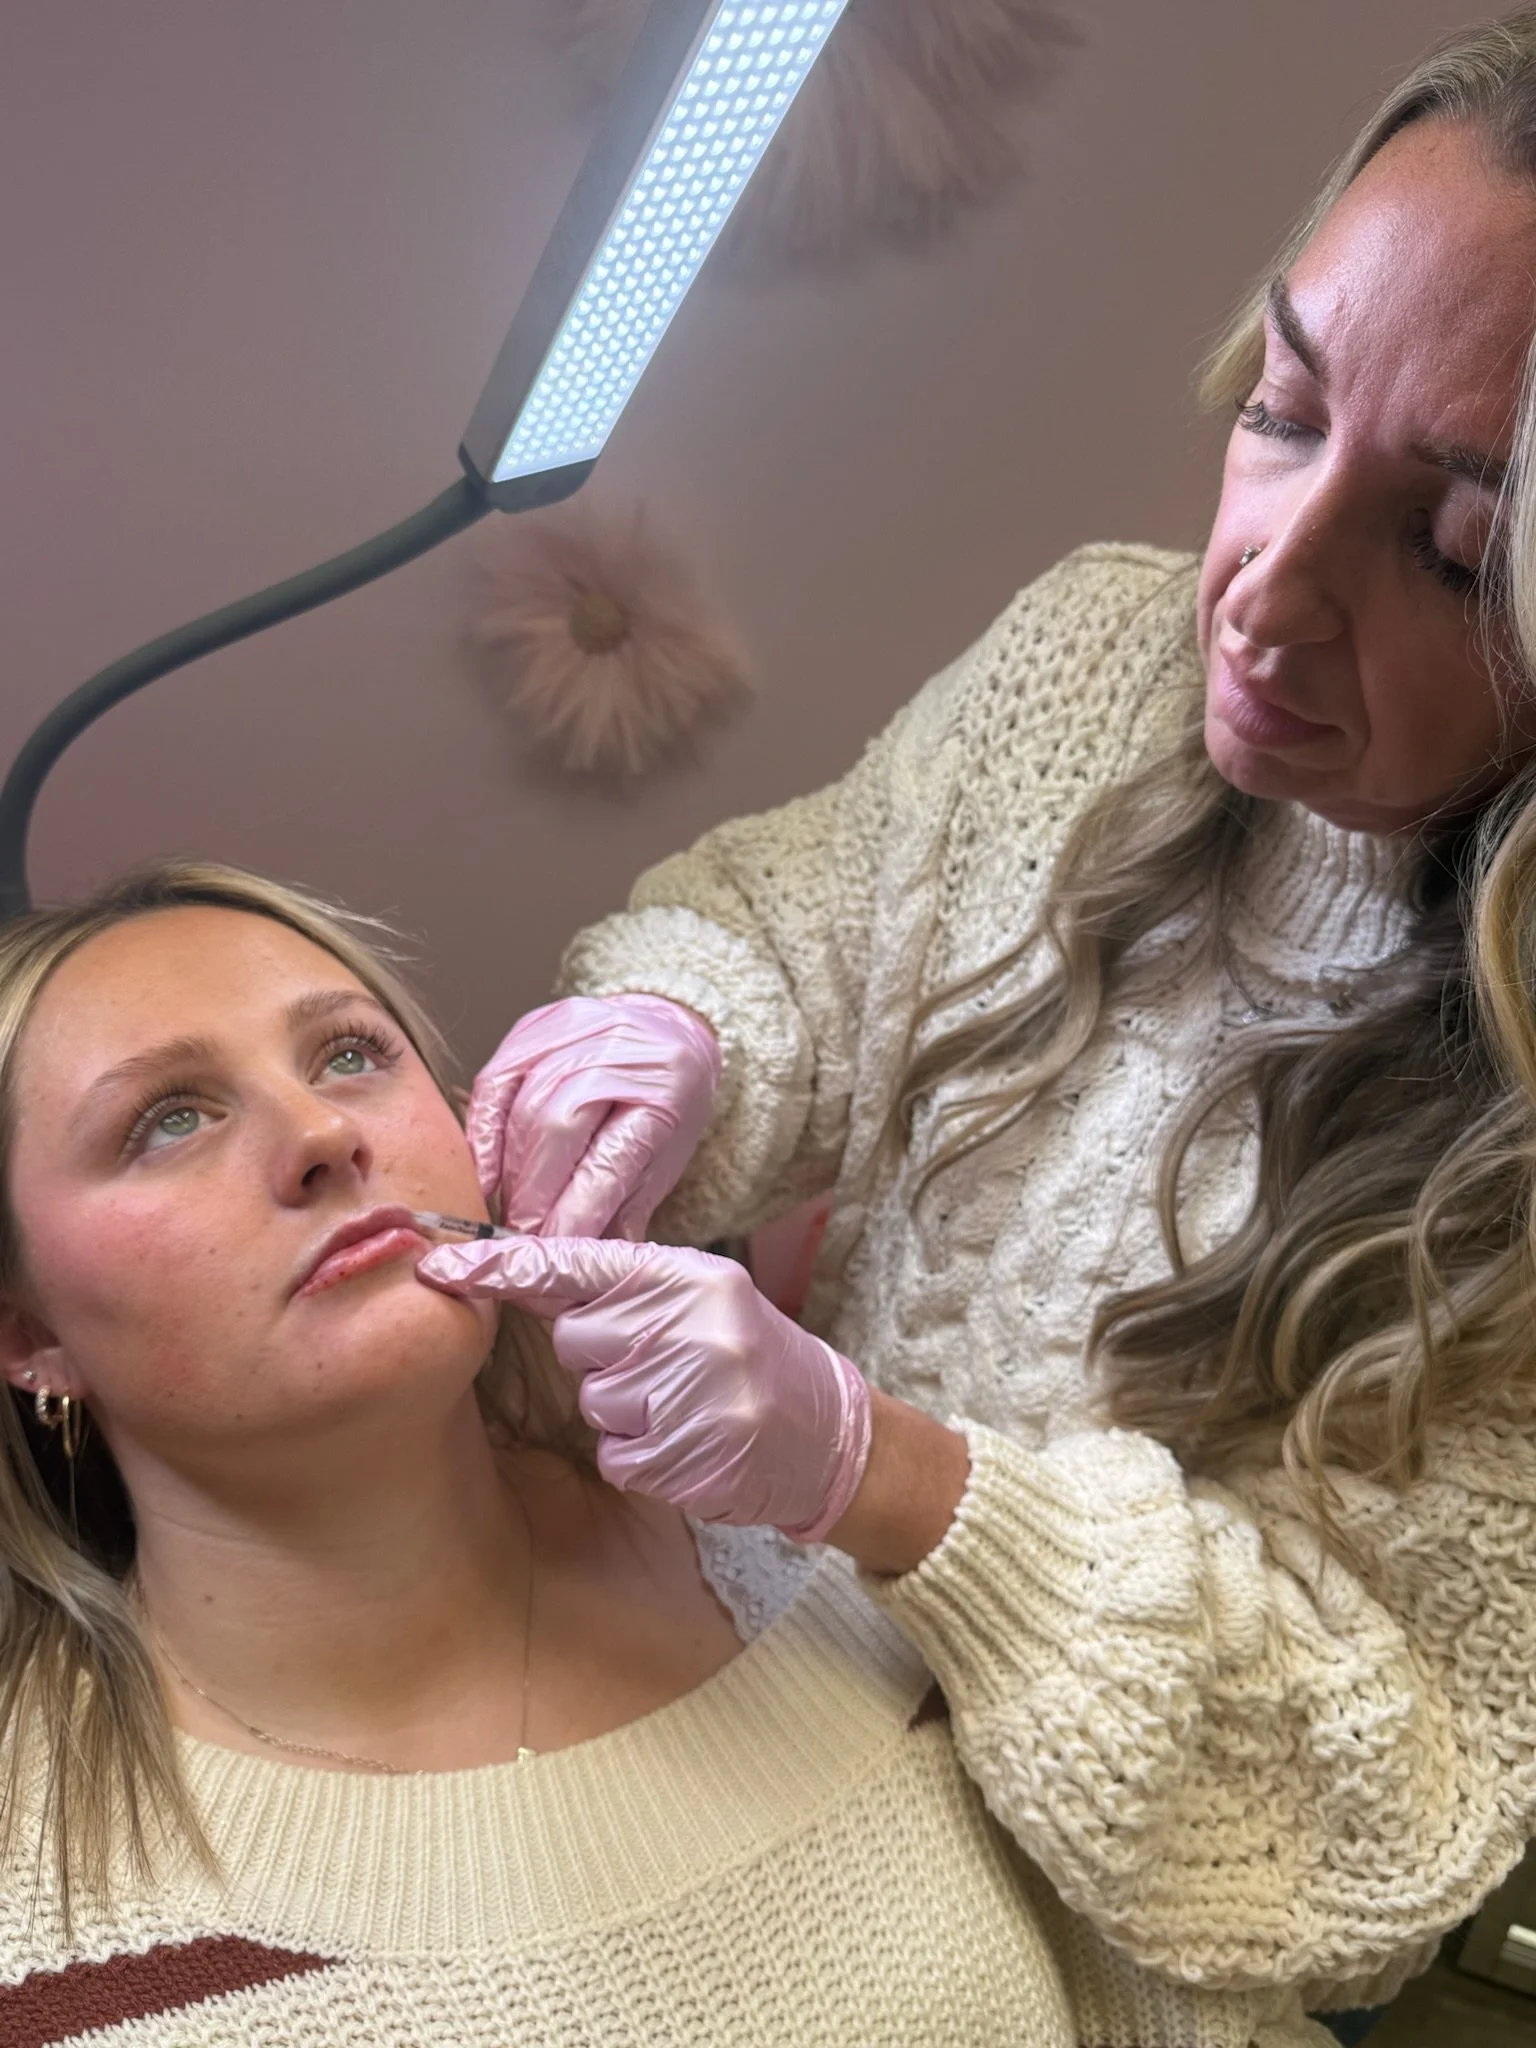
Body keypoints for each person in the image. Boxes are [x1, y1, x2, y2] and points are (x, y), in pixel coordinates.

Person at [451, 14, 1536, 2046]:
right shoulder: (1094, 656)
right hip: (758, 1693)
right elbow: (791, 925)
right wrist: (682, 1033)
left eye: (1453, 549)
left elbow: (1380, 1814)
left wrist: (905, 1484)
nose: (1262, 599)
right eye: (1285, 410)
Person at [0, 860, 1085, 2048]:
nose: (321, 1133)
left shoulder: (846, 1566)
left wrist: (894, 1481)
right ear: (32, 1333)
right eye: (168, 1119)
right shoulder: (37, 1927)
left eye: (350, 1053)